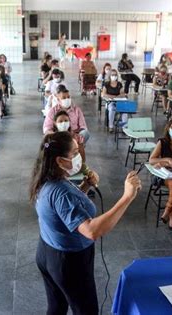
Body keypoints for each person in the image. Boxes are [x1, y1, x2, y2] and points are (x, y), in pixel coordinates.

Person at [30, 131, 141, 314]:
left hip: (47, 252)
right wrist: (127, 197)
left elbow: (63, 212)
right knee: (86, 310)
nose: (79, 156)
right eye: (74, 153)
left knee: (56, 306)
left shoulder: (45, 179)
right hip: (69, 263)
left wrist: (85, 186)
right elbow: (91, 231)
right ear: (59, 160)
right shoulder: (62, 192)